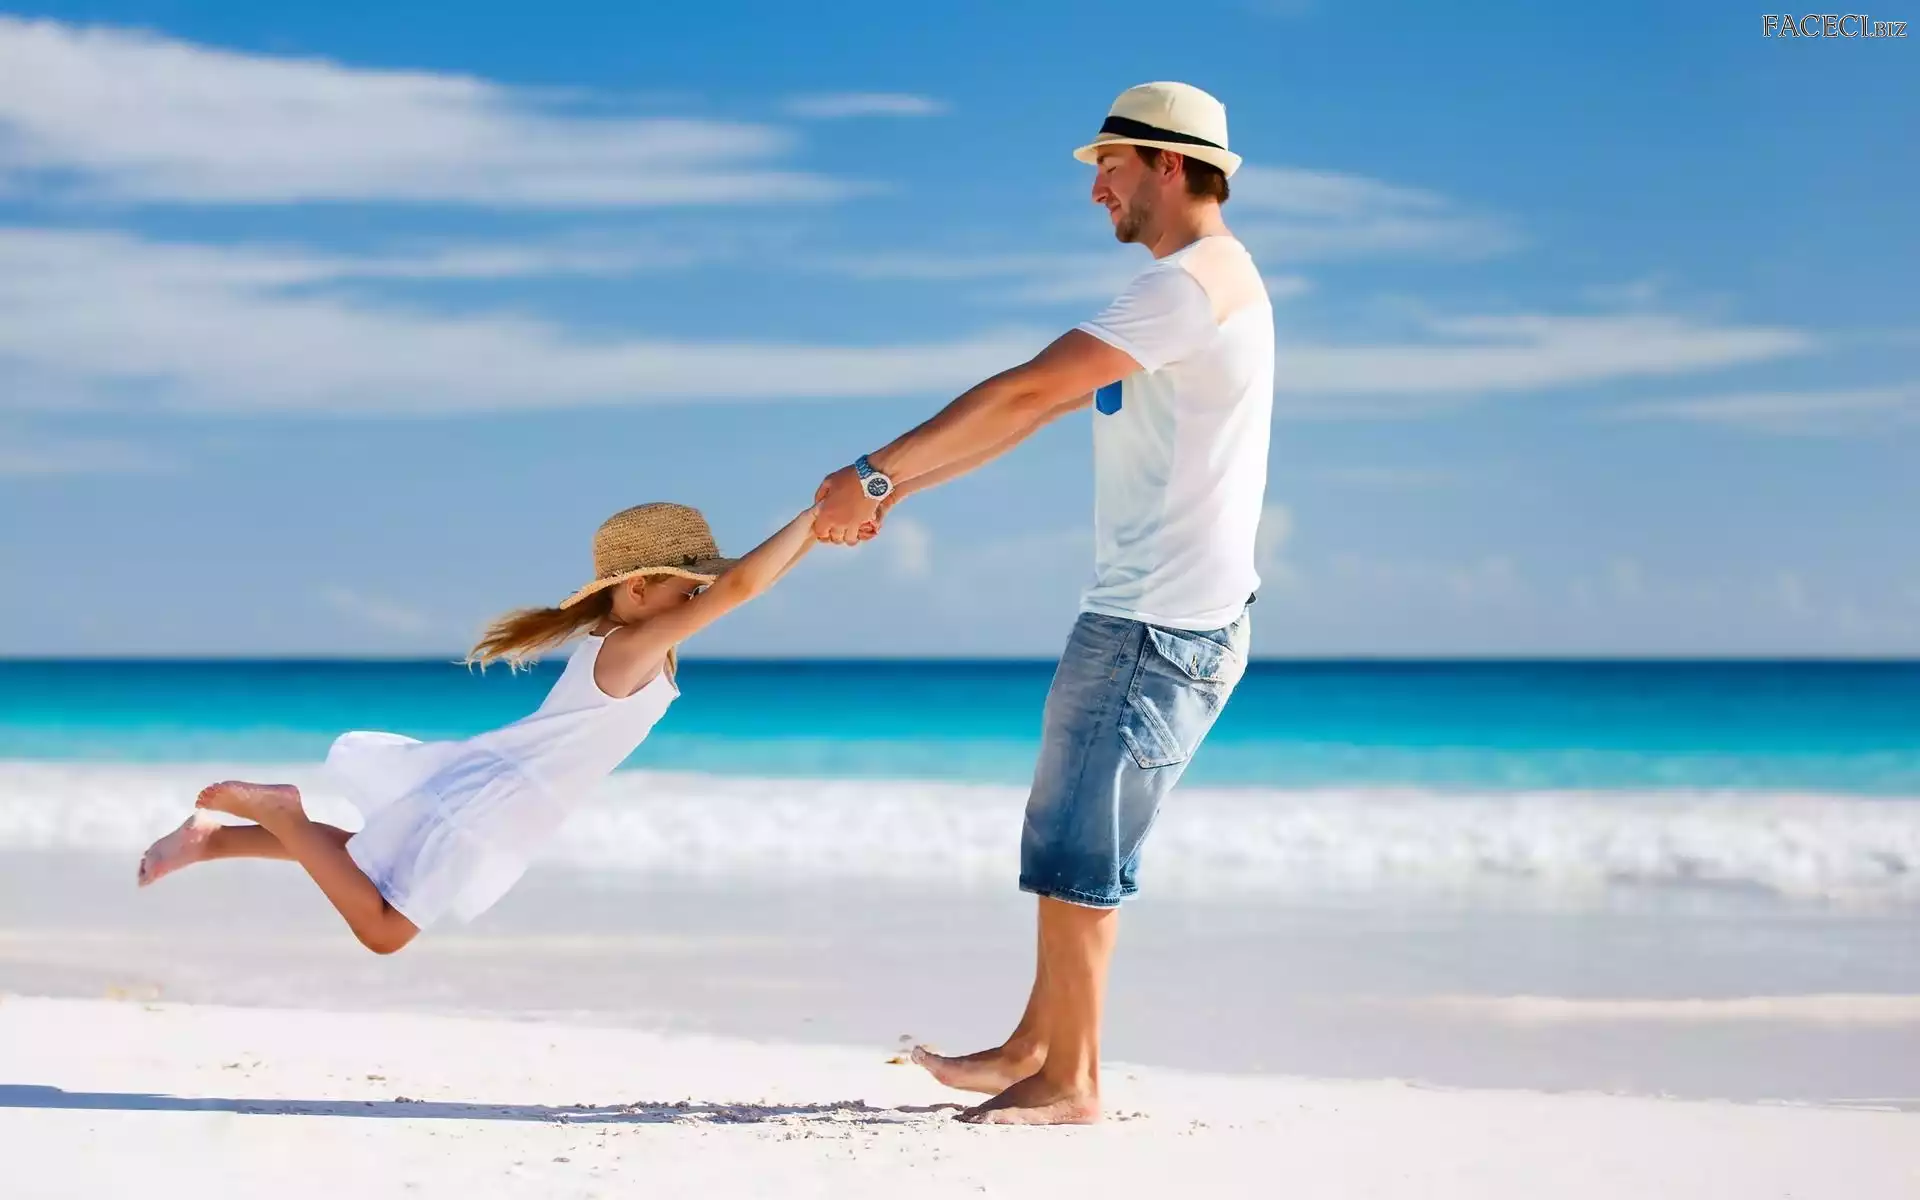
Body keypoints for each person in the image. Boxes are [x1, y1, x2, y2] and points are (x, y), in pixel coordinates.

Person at [813, 81, 1273, 1126]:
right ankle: (1036, 1046)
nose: (1095, 188)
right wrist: (898, 490)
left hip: (1158, 623)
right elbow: (1035, 413)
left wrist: (872, 472)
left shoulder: (1186, 289)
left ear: (1167, 164)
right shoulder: (1203, 288)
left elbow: (1022, 387)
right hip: (1154, 614)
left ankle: (1073, 1081)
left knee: (1080, 853)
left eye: (1108, 165)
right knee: (1066, 835)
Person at [134, 502, 817, 954]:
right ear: (637, 589)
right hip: (499, 800)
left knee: (377, 863)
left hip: (504, 791)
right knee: (384, 929)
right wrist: (817, 516)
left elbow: (744, 582)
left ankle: (216, 841)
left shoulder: (636, 641)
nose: (702, 600)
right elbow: (742, 588)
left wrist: (826, 532)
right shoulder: (632, 647)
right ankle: (283, 812)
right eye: (690, 590)